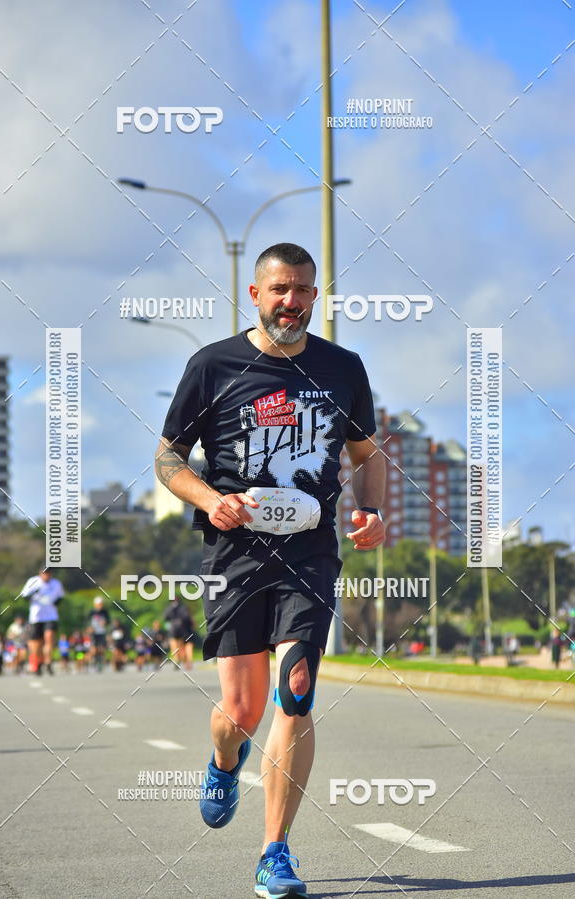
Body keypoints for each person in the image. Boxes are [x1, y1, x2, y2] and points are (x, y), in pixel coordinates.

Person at [155, 243, 385, 898]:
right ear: (255, 295)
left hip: (309, 552)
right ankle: (226, 761)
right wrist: (210, 499)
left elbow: (368, 455)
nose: (292, 301)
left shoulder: (343, 368)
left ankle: (274, 851)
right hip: (235, 555)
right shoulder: (214, 365)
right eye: (280, 289)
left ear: (316, 296)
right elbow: (168, 458)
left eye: (304, 290)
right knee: (241, 708)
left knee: (298, 689)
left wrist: (368, 508)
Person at [21, 568, 64, 675]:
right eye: (45, 573)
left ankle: (48, 662)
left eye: (49, 573)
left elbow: (60, 597)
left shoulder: (56, 583)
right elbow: (24, 595)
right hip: (36, 617)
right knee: (37, 644)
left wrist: (55, 603)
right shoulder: (33, 581)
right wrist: (33, 593)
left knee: (49, 638)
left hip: (51, 616)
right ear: (40, 573)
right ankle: (39, 663)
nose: (47, 575)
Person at [165, 598, 195, 670]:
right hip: (184, 631)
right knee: (184, 647)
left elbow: (165, 617)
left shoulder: (169, 608)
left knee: (175, 646)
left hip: (175, 631)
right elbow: (189, 620)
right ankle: (186, 661)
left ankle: (177, 660)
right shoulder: (184, 608)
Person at [88, 596, 110, 672]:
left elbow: (108, 621)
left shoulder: (105, 612)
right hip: (94, 633)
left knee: (101, 649)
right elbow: (87, 622)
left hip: (102, 632)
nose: (100, 606)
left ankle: (101, 664)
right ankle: (95, 662)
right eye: (98, 604)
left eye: (101, 604)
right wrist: (89, 628)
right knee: (94, 649)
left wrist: (105, 622)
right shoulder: (91, 612)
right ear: (95, 604)